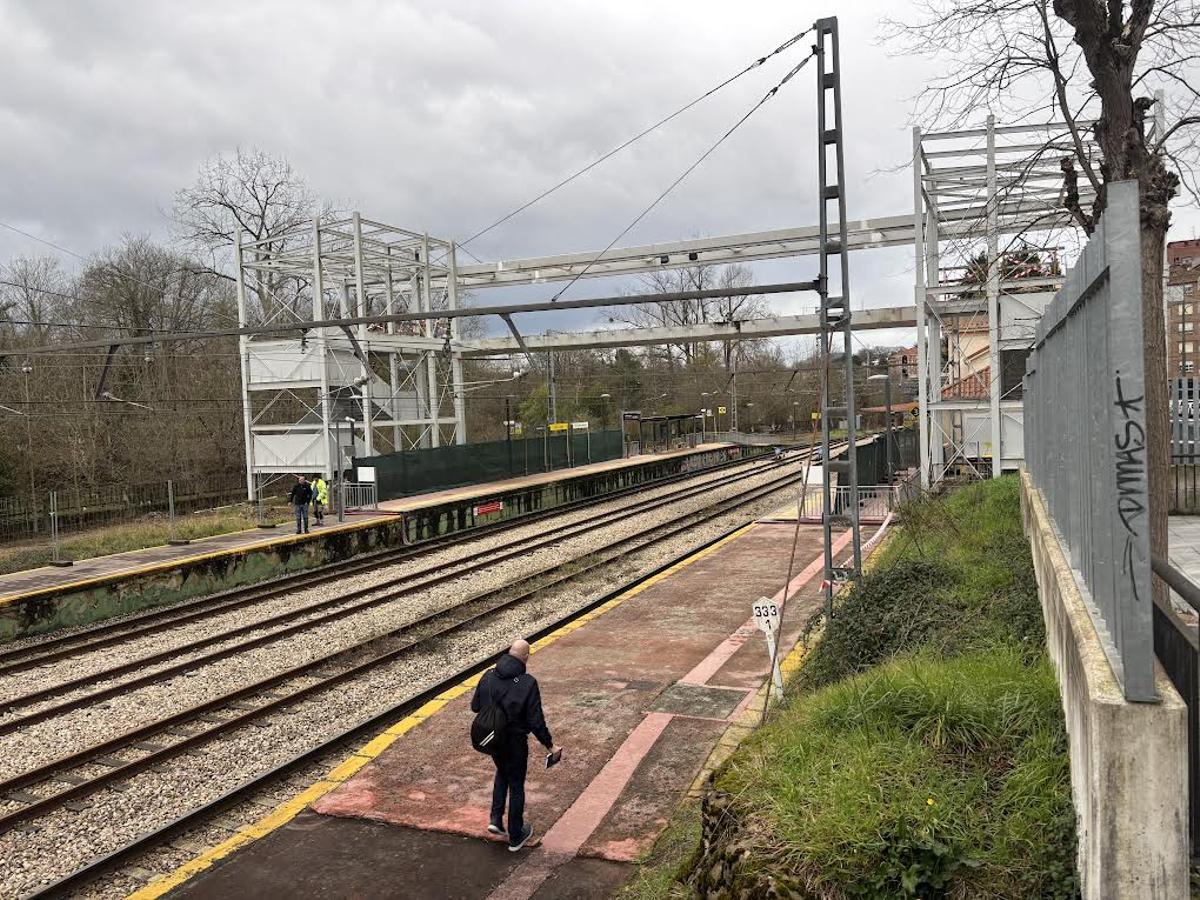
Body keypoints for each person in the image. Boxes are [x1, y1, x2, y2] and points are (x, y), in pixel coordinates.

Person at [470, 639, 559, 852]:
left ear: (509, 652)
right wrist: (550, 745)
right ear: (526, 657)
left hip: (493, 740)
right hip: (515, 742)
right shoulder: (528, 683)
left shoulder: (488, 675)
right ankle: (516, 835)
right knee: (516, 784)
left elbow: (475, 707)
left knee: (502, 771)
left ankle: (495, 819)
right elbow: (536, 721)